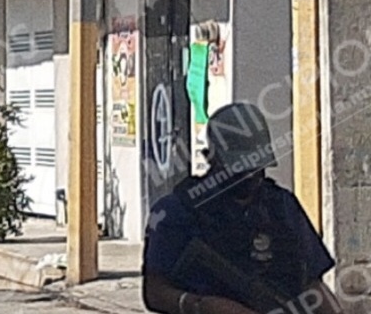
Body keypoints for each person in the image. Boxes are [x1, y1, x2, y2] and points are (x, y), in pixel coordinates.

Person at [142, 103, 343, 314]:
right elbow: (154, 292)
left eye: (255, 168)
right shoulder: (177, 212)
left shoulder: (281, 206)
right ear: (210, 157)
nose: (249, 177)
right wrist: (199, 305)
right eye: (237, 169)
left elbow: (312, 283)